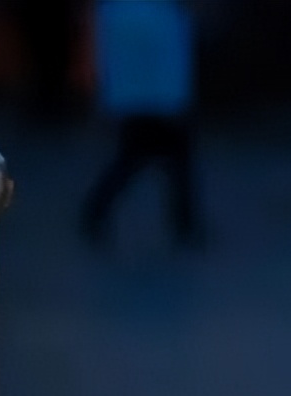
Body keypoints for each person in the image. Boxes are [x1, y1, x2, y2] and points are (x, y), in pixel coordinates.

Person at [80, 0, 202, 247]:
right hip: (158, 99)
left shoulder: (118, 11)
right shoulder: (159, 12)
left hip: (139, 97)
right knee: (145, 158)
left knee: (156, 159)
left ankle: (185, 223)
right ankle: (95, 211)